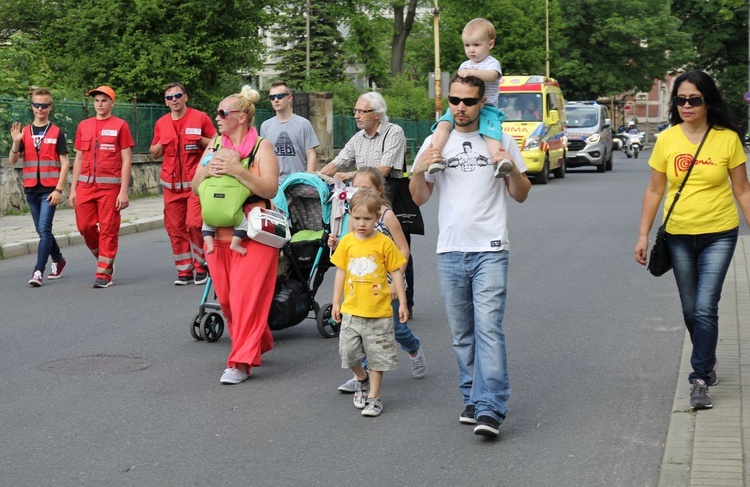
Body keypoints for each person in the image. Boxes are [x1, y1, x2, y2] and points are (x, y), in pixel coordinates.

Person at [410, 74, 531, 438]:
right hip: (450, 249)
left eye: (468, 101)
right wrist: (420, 168)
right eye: (454, 100)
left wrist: (511, 168)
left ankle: (491, 407)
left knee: (489, 329)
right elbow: (419, 197)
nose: (460, 107)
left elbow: (522, 194)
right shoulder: (436, 140)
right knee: (462, 334)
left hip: (491, 248)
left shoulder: (499, 139)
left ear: (482, 104)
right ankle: (472, 397)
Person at [635, 70, 750, 411]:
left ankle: (699, 378)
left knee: (704, 307)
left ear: (707, 102)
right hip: (679, 236)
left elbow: (742, 190)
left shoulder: (727, 139)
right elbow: (655, 189)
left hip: (719, 232)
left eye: (694, 100)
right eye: (681, 100)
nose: (686, 105)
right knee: (690, 309)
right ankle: (708, 359)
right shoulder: (668, 139)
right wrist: (642, 234)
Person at [191, 85, 280, 385]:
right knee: (228, 300)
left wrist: (237, 170)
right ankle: (260, 341)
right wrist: (209, 170)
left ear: (241, 117)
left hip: (254, 233)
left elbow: (270, 189)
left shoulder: (262, 147)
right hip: (217, 233)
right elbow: (194, 185)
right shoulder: (214, 144)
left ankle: (240, 362)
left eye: (221, 113)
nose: (216, 118)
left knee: (245, 299)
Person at [330, 167, 426, 394]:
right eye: (356, 188)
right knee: (363, 331)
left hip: (387, 282)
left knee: (397, 329)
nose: (359, 192)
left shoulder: (387, 216)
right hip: (362, 285)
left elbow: (403, 249)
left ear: (379, 190)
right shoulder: (356, 216)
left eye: (366, 188)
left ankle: (414, 349)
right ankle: (361, 376)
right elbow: (351, 245)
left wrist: (397, 280)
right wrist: (337, 242)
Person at [330, 189, 408, 417]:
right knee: (348, 353)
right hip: (351, 311)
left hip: (379, 312)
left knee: (376, 356)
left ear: (377, 218)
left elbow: (395, 273)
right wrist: (336, 302)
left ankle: (374, 397)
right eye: (356, 218)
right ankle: (361, 378)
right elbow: (340, 272)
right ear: (350, 217)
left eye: (367, 219)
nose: (361, 224)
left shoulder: (384, 243)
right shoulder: (347, 242)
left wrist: (402, 303)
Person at [149, 83, 217, 286]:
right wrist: (163, 143)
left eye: (178, 95)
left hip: (195, 184)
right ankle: (184, 270)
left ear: (185, 97)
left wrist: (199, 140)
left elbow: (215, 143)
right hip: (171, 186)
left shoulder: (200, 117)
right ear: (166, 102)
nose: (174, 99)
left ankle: (201, 265)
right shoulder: (161, 122)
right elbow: (154, 151)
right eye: (169, 97)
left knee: (194, 223)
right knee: (175, 228)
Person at [427, 18, 509, 179]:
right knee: (443, 124)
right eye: (467, 45)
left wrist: (472, 72)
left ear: (490, 44)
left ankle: (498, 160)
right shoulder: (465, 64)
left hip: (487, 108)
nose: (471, 50)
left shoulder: (492, 63)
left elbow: (491, 76)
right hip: (465, 105)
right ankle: (434, 156)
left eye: (476, 45)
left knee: (491, 133)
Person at [69, 86, 134, 288]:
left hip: (110, 189)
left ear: (112, 103)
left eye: (104, 100)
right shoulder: (84, 126)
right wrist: (73, 189)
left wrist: (123, 191)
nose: (100, 104)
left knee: (108, 229)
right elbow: (78, 159)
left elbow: (126, 160)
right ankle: (103, 258)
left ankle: (104, 273)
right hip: (85, 187)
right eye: (97, 100)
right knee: (84, 227)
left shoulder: (120, 125)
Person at [9, 88, 70, 287]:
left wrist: (59, 189)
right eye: (37, 105)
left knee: (44, 230)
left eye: (44, 105)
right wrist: (16, 143)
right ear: (32, 106)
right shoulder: (24, 132)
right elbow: (13, 160)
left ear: (50, 108)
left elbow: (65, 163)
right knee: (41, 230)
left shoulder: (56, 131)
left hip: (50, 189)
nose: (40, 108)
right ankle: (59, 260)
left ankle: (38, 271)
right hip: (31, 189)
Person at [260, 81, 320, 181]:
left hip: (299, 181)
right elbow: (263, 157)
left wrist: (309, 179)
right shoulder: (265, 126)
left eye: (280, 96)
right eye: (272, 97)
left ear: (289, 98)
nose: (276, 100)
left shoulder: (304, 124)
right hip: (275, 184)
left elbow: (311, 155)